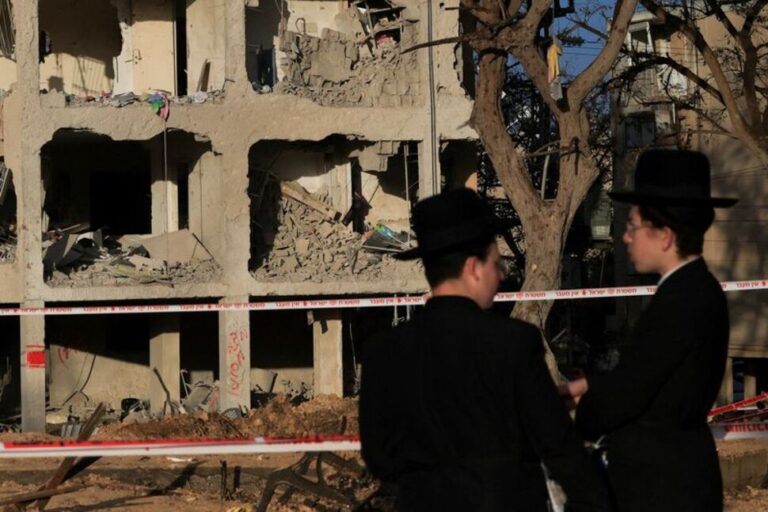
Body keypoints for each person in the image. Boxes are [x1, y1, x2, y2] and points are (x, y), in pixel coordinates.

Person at [359, 188, 611, 512]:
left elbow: (380, 458)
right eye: (497, 262)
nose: (502, 273)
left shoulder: (383, 352)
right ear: (473, 268)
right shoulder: (514, 343)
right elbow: (560, 450)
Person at [562, 150, 737, 511]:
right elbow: (650, 378)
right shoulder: (694, 288)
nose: (626, 238)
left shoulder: (681, 299)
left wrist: (583, 411)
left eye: (633, 226)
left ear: (665, 236)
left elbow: (629, 394)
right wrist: (592, 385)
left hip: (664, 488)